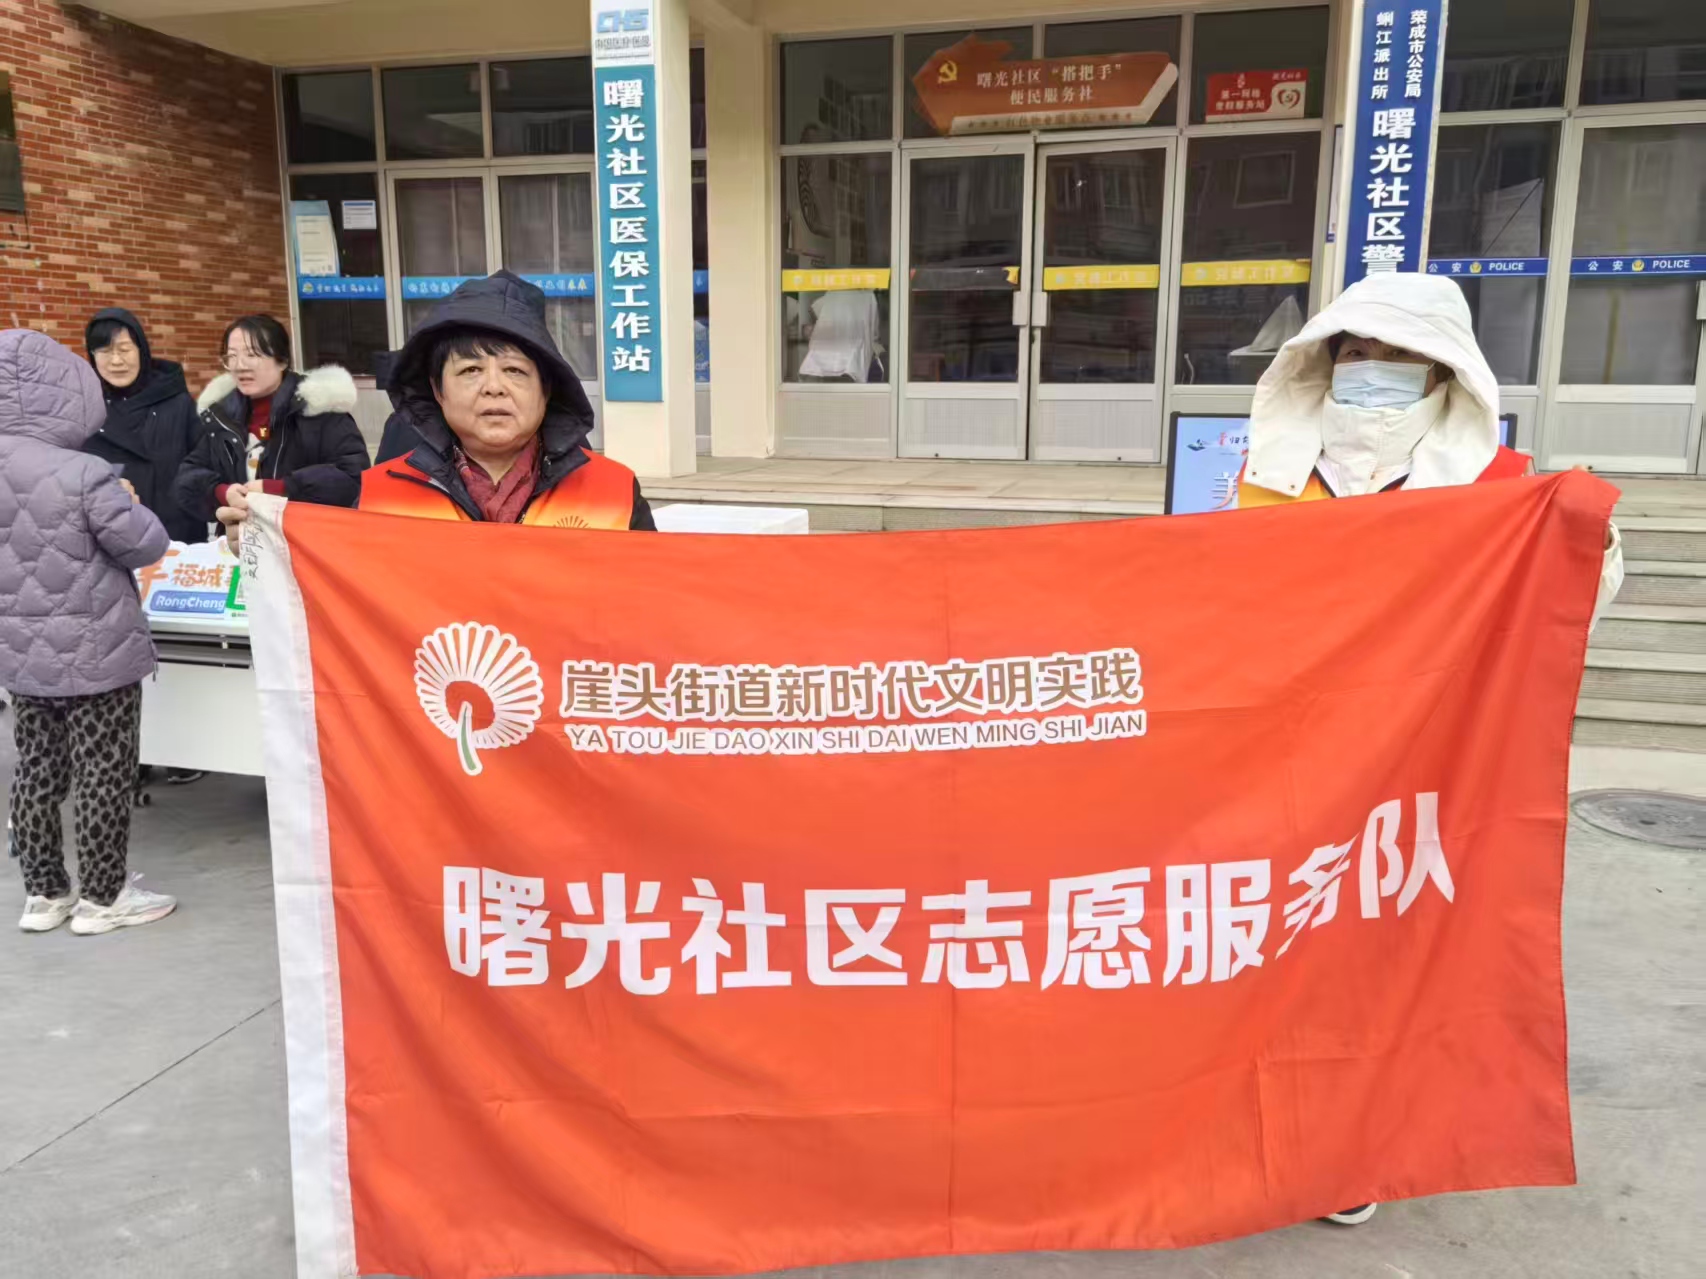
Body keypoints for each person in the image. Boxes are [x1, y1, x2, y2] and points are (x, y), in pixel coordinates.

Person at [1237, 271, 1622, 1228]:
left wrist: (1588, 541)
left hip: (1426, 763)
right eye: (1355, 351)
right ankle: (1264, 1119)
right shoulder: (1270, 469)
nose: (1371, 368)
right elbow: (1218, 601)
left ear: (1443, 369)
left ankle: (1355, 1146)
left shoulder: (1503, 484)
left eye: (1397, 354)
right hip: (1292, 756)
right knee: (1283, 948)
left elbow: (1569, 601)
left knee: (1386, 952)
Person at [0, 329, 177, 935]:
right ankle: (103, 899)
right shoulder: (84, 472)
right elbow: (144, 544)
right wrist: (130, 500)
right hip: (98, 652)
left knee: (36, 769)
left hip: (21, 656)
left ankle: (44, 894)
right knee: (103, 770)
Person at [355, 271, 654, 528]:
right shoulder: (380, 496)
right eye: (471, 370)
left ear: (546, 389)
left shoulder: (613, 491)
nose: (494, 387)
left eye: (514, 370)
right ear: (437, 390)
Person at [174, 315, 368, 548]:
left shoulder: (320, 409)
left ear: (282, 360)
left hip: (310, 550)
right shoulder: (221, 416)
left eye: (252, 354)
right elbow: (187, 477)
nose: (240, 365)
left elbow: (354, 478)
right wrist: (223, 492)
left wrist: (281, 489)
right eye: (231, 356)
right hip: (241, 548)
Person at [83, 308, 206, 544]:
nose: (116, 361)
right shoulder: (84, 408)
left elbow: (202, 463)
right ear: (92, 356)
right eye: (105, 351)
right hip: (111, 539)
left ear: (141, 350)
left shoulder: (177, 401)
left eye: (124, 349)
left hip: (177, 537)